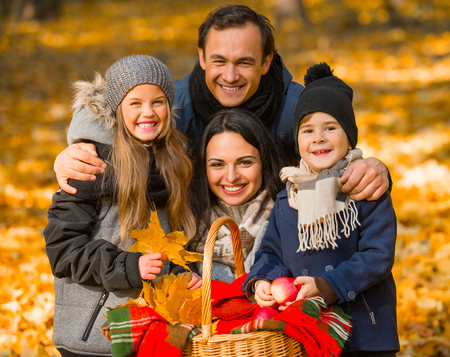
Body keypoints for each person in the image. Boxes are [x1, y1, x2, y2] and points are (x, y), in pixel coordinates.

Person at [52, 4, 390, 202]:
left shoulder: (297, 108)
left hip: (280, 250)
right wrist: (79, 146)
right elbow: (116, 117)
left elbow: (339, 155)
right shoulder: (174, 105)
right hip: (194, 249)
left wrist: (375, 167)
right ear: (201, 57)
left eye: (244, 62)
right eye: (218, 61)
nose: (230, 76)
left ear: (267, 61)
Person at [43, 55, 201, 357]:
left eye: (158, 101)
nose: (149, 112)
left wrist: (185, 272)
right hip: (95, 334)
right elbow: (62, 249)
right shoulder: (89, 165)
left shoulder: (174, 162)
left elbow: (173, 238)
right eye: (135, 103)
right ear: (117, 108)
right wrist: (130, 265)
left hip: (151, 331)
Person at [243, 63, 399, 355]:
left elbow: (378, 256)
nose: (318, 138)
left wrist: (327, 286)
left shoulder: (364, 190)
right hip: (307, 331)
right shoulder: (288, 198)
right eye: (307, 130)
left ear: (349, 136)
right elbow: (270, 252)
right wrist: (262, 279)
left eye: (330, 127)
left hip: (362, 331)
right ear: (297, 139)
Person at [186, 108, 284, 282]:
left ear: (264, 162)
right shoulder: (188, 226)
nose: (231, 177)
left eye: (245, 162)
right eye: (217, 164)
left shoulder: (288, 215)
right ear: (204, 168)